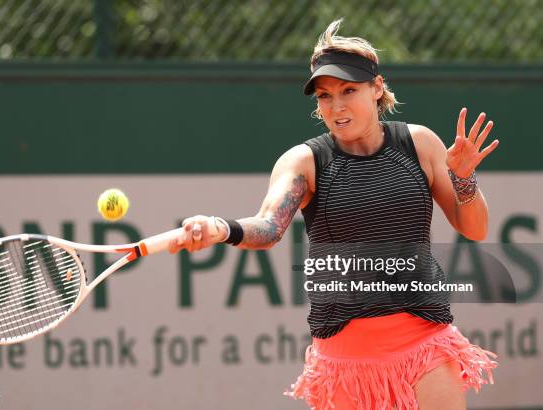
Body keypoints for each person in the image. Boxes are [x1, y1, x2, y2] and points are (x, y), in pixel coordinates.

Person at [169, 19, 498, 410]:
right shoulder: (305, 161)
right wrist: (222, 228)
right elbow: (269, 227)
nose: (336, 106)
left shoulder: (420, 144)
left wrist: (462, 179)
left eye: (348, 90)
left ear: (377, 88)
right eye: (324, 96)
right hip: (345, 361)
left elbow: (475, 228)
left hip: (425, 343)